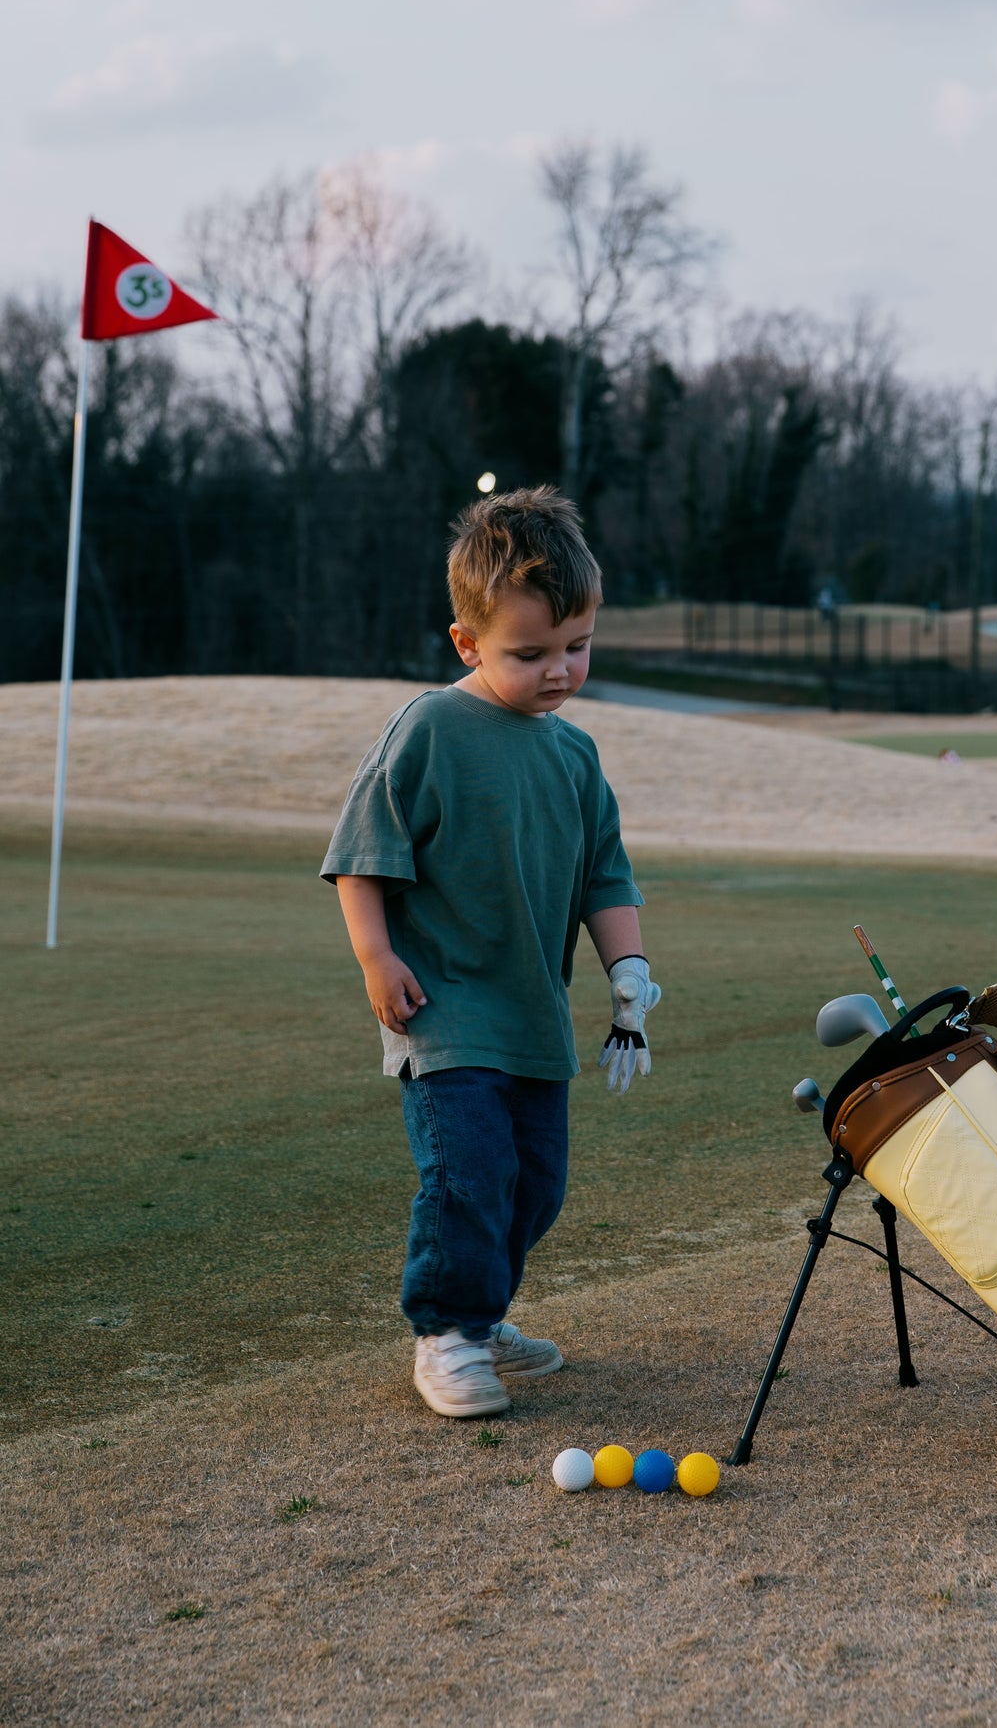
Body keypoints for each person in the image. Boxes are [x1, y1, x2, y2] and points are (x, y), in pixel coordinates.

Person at [322, 486, 656, 1419]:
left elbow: (606, 878)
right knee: (467, 1175)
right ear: (468, 643)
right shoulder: (430, 728)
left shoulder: (576, 757)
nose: (560, 670)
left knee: (534, 1187)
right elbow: (362, 858)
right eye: (530, 653)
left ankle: (483, 1313)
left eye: (577, 647)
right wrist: (376, 959)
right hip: (443, 1009)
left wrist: (628, 975)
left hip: (532, 1016)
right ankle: (446, 1334)